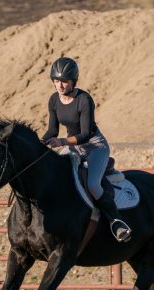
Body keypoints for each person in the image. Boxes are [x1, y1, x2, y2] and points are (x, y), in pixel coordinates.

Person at [42, 57, 131, 243]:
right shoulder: (53, 100)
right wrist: (40, 143)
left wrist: (62, 141)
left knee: (92, 185)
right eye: (56, 81)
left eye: (64, 81)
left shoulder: (84, 99)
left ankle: (117, 221)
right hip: (72, 146)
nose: (60, 85)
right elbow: (52, 131)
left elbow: (85, 134)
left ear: (73, 81)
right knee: (58, 175)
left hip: (95, 146)